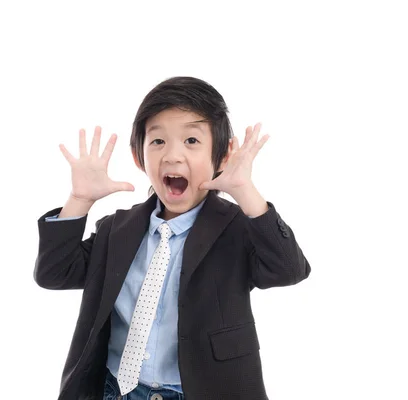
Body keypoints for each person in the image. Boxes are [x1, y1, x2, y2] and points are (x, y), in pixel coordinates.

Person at [34, 76, 311, 400]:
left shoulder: (237, 227)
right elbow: (54, 273)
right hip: (116, 390)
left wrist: (246, 192)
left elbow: (289, 269)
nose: (173, 155)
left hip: (201, 391)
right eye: (158, 141)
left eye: (191, 140)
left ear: (221, 157)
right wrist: (79, 200)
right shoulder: (116, 229)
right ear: (139, 158)